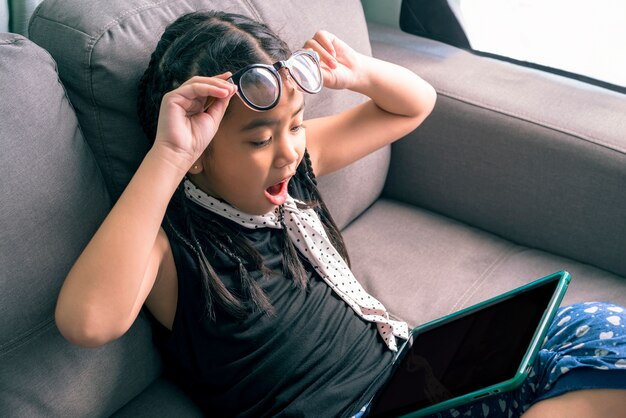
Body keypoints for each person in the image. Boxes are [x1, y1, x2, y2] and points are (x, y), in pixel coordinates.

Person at [54, 10, 626, 418]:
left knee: (601, 325)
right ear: (199, 155)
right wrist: (170, 155)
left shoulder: (295, 169)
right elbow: (89, 322)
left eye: (296, 124)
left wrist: (352, 74)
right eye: (258, 140)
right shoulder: (171, 243)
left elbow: (412, 104)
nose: (288, 149)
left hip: (412, 373)